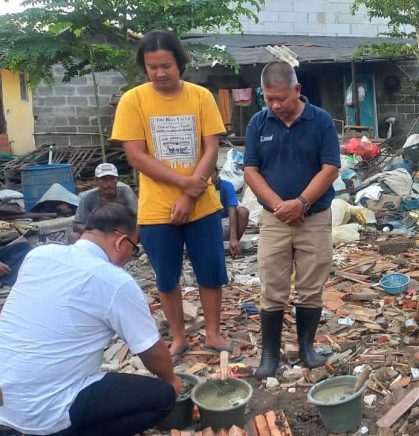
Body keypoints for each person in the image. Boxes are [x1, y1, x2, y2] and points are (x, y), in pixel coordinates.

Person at [111, 30, 240, 362]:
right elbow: (136, 156)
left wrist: (192, 194)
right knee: (166, 276)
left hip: (202, 206)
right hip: (157, 210)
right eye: (152, 67)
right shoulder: (133, 100)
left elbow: (211, 146)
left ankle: (212, 333)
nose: (160, 73)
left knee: (210, 272)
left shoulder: (200, 97)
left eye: (166, 65)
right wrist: (185, 186)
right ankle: (179, 337)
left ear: (180, 63)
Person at [0, 204, 180, 436]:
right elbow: (152, 352)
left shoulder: (38, 255)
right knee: (162, 396)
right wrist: (172, 381)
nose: (129, 257)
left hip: (5, 403)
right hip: (43, 416)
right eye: (134, 248)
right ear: (120, 241)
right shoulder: (115, 280)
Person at [244, 61, 340, 377]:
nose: (274, 105)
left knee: (311, 285)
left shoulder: (321, 121)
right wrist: (279, 206)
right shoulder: (259, 123)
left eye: (281, 98)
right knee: (272, 284)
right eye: (268, 98)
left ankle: (307, 349)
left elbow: (330, 168)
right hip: (275, 220)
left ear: (297, 90)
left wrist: (301, 202)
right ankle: (269, 355)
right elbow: (250, 171)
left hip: (314, 217)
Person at [69, 163, 138, 243]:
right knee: (73, 237)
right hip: (98, 234)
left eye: (112, 179)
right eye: (103, 179)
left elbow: (136, 217)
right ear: (96, 180)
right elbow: (77, 225)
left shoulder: (126, 192)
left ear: (117, 180)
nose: (108, 184)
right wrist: (99, 233)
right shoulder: (87, 197)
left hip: (122, 233)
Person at [212, 167, 249, 258]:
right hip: (208, 223)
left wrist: (233, 238)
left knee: (243, 212)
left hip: (223, 222)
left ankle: (232, 244)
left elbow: (232, 210)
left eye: (211, 173)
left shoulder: (226, 186)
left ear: (217, 173)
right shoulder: (202, 187)